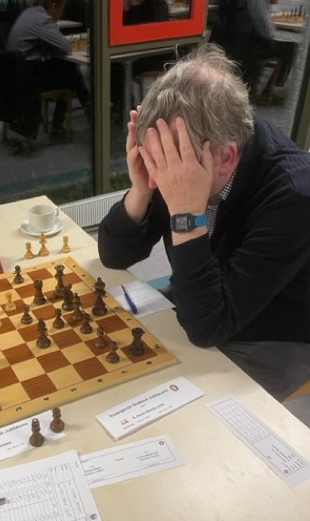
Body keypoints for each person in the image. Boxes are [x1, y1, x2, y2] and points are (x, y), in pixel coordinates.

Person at [97, 44, 310, 402]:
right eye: (153, 159)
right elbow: (114, 256)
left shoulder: (295, 195)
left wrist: (184, 210)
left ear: (225, 158)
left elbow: (209, 327)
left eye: (166, 164)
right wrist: (141, 190)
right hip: (205, 297)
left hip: (275, 330)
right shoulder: (184, 156)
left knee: (172, 406)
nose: (161, 174)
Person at [6, 0, 90, 142]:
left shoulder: (29, 13)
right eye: (62, 9)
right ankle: (71, 119)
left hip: (14, 72)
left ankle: (87, 107)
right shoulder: (43, 20)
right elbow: (65, 47)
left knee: (66, 67)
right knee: (68, 71)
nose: (62, 14)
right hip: (27, 78)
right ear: (53, 6)